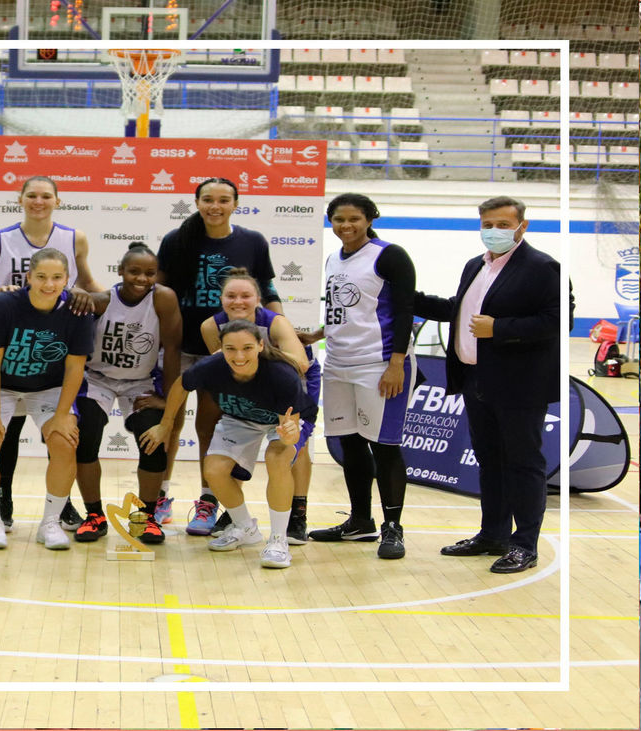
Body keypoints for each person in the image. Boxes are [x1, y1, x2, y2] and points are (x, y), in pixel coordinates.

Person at [415, 196, 560, 573]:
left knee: (523, 464)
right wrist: (409, 300)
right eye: (488, 224)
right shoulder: (474, 266)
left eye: (503, 224)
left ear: (522, 226)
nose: (494, 231)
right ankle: (492, 534)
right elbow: (457, 309)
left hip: (519, 385)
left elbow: (557, 321)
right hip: (476, 380)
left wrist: (499, 328)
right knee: (490, 462)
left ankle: (524, 545)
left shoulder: (543, 267)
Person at [155, 177, 282, 536]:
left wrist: (281, 328)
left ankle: (207, 502)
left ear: (235, 204)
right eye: (208, 199)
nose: (215, 206)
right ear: (197, 202)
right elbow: (160, 291)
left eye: (223, 200)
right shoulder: (175, 240)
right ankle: (159, 497)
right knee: (171, 419)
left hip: (227, 347)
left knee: (208, 424)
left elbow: (267, 288)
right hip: (179, 344)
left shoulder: (252, 241)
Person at [139, 320, 315, 569]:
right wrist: (166, 425)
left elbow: (291, 437)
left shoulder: (281, 374)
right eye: (230, 349)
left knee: (277, 458)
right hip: (241, 417)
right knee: (213, 469)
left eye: (247, 348)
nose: (239, 356)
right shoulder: (211, 367)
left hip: (285, 422)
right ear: (220, 348)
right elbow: (181, 386)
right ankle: (245, 527)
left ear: (260, 346)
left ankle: (278, 540)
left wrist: (288, 435)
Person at [0, 175, 100, 532]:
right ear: (19, 199)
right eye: (31, 195)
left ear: (57, 201)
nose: (38, 201)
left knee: (59, 431)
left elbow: (89, 285)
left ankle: (60, 508)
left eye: (45, 196)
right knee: (7, 433)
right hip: (10, 340)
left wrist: (117, 297)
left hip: (49, 344)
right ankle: (2, 499)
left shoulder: (74, 237)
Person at [306, 193, 415, 559]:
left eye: (353, 219)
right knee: (349, 444)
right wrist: (318, 335)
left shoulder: (390, 255)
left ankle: (393, 527)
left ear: (370, 219)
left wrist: (396, 362)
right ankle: (359, 521)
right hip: (338, 363)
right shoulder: (333, 259)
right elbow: (348, 310)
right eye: (338, 219)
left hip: (379, 363)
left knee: (384, 447)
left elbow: (403, 312)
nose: (345, 226)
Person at [0, 248, 94, 550]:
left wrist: (63, 415)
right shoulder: (1, 306)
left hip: (48, 385)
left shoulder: (77, 312)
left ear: (67, 279)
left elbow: (76, 367)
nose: (49, 284)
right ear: (28, 277)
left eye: (56, 277)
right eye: (41, 277)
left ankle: (50, 523)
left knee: (64, 443)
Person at [73, 243, 181, 544]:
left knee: (153, 440)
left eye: (149, 273)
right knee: (86, 434)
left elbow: (172, 351)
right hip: (98, 379)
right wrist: (74, 293)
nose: (142, 278)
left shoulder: (163, 299)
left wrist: (168, 398)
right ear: (120, 271)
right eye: (134, 271)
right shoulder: (102, 301)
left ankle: (145, 518)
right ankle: (94, 514)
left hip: (139, 382)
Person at [202, 268, 319, 545]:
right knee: (226, 453)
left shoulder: (275, 323)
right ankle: (237, 517)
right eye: (231, 296)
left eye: (246, 296)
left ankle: (297, 513)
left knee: (290, 446)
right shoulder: (210, 327)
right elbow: (225, 368)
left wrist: (257, 353)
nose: (238, 301)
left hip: (293, 383)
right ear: (221, 299)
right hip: (248, 386)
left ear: (258, 300)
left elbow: (300, 363)